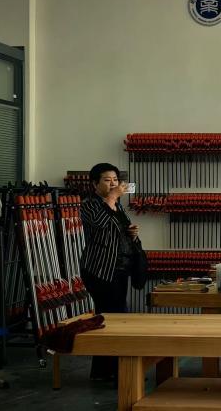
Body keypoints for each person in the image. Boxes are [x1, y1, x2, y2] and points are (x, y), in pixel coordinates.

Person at [79, 162, 139, 381]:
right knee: (110, 318)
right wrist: (112, 197)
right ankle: (111, 370)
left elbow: (118, 229)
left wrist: (131, 233)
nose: (113, 184)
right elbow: (100, 223)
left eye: (115, 180)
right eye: (107, 180)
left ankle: (106, 370)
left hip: (120, 269)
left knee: (115, 317)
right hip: (100, 270)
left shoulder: (117, 205)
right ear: (95, 184)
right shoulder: (89, 205)